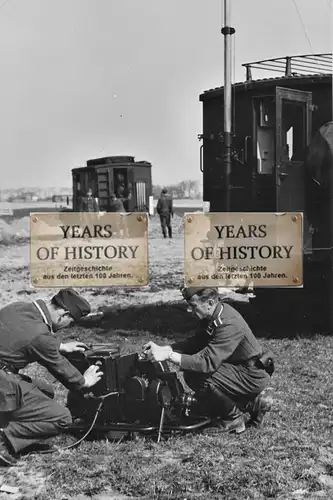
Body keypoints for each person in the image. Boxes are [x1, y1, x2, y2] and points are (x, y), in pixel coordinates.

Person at [143, 287, 274, 435]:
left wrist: (168, 355)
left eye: (193, 306)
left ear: (210, 303)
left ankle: (234, 418)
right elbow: (196, 342)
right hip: (239, 369)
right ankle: (252, 404)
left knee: (195, 374)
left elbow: (206, 363)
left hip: (250, 375)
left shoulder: (228, 323)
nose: (189, 311)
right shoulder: (215, 313)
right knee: (199, 385)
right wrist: (166, 348)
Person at [0, 288, 103, 466]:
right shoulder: (40, 335)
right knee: (62, 418)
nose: (67, 326)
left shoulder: (18, 307)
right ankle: (3, 438)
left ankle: (11, 428)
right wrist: (84, 381)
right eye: (71, 322)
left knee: (45, 391)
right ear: (63, 314)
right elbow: (59, 366)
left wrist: (61, 345)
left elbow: (24, 336)